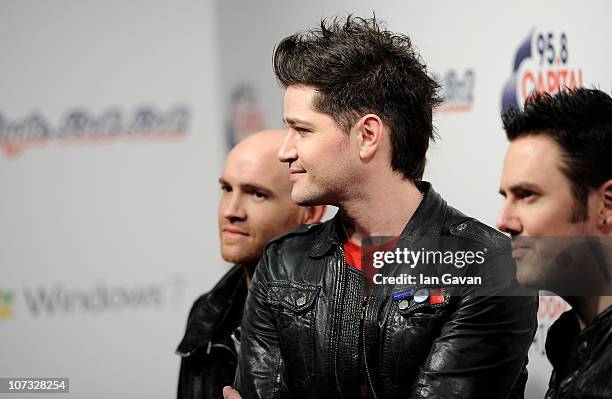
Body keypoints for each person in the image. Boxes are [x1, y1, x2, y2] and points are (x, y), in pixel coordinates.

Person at [227, 16, 537, 399]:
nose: (285, 150)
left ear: (367, 136)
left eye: (302, 130)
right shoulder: (282, 262)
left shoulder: (488, 264)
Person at [176, 130, 326, 399]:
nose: (231, 211)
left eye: (256, 194)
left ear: (311, 212)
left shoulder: (338, 315)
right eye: (226, 189)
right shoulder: (207, 314)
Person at [497, 88, 612, 399]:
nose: (504, 220)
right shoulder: (567, 339)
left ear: (606, 206)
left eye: (527, 195)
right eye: (505, 197)